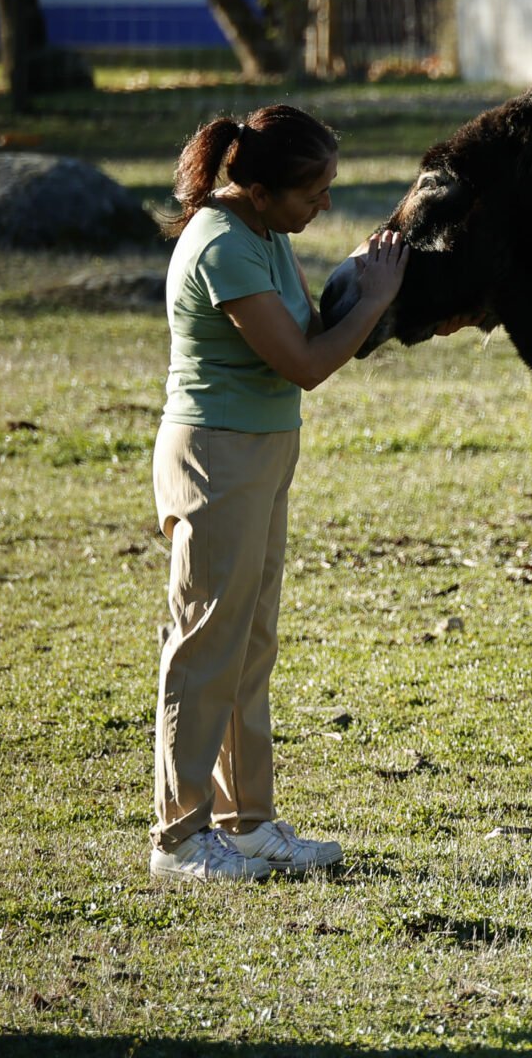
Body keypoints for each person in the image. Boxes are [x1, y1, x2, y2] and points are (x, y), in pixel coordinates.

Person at [149, 104, 408, 882]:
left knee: (249, 643)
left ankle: (248, 821)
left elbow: (309, 326)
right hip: (216, 459)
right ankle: (178, 838)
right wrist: (371, 302)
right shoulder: (221, 244)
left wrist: (363, 276)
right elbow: (302, 360)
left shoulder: (262, 233)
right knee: (205, 646)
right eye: (312, 191)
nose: (323, 204)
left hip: (261, 454)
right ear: (258, 189)